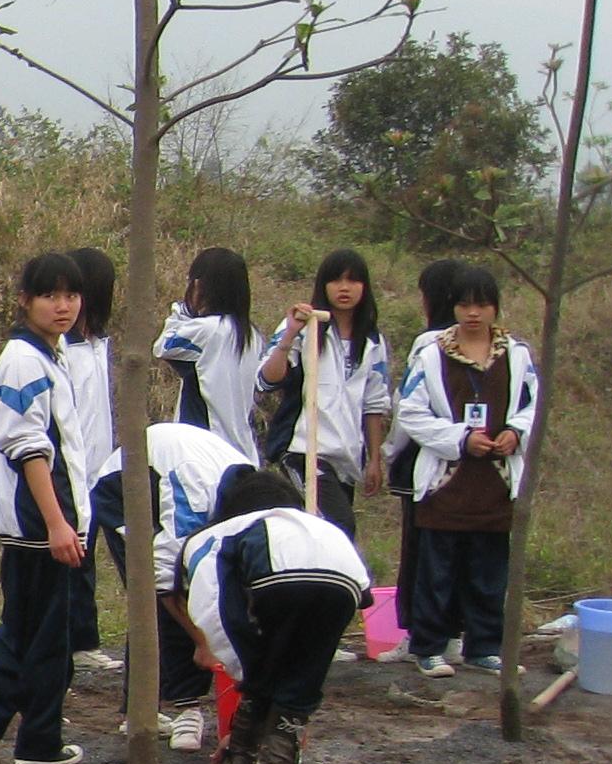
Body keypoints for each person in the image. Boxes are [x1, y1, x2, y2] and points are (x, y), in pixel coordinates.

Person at [0, 252, 91, 764]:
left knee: (35, 634)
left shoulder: (51, 355)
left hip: (49, 522)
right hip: (37, 525)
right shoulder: (22, 360)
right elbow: (27, 446)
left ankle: (1, 734)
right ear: (24, 300)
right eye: (50, 296)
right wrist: (57, 522)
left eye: (71, 296)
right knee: (34, 637)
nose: (63, 306)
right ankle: (23, 739)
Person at [174, 466, 372, 764]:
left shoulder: (220, 532)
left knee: (262, 675)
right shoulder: (316, 524)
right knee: (300, 684)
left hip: (279, 577)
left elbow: (214, 604)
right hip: (343, 582)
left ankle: (239, 762)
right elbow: (363, 595)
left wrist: (242, 672)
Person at [394, 264, 540, 679]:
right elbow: (411, 411)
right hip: (446, 481)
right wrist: (459, 439)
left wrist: (515, 432)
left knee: (489, 570)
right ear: (453, 307)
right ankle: (428, 646)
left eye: (482, 304)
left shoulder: (517, 355)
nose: (473, 313)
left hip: (495, 479)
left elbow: (533, 405)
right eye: (465, 304)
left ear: (495, 308)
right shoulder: (431, 354)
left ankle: (484, 646)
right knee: (436, 570)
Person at [116, 419, 266, 751]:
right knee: (161, 597)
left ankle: (151, 705)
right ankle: (181, 705)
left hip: (171, 475)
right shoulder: (195, 491)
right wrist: (202, 642)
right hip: (125, 484)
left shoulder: (252, 488)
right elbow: (163, 577)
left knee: (206, 589)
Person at [256, 248, 394, 537]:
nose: (344, 288)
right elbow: (267, 380)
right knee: (337, 528)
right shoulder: (306, 327)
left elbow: (373, 403)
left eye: (353, 281)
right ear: (323, 285)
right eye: (336, 281)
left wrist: (374, 459)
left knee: (321, 536)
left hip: (344, 457)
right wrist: (290, 334)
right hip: (302, 450)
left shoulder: (372, 341)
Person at [380, 256, 473, 664]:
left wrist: (388, 453)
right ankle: (454, 632)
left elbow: (406, 409)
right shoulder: (484, 345)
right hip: (471, 459)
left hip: (426, 460)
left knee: (421, 550)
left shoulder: (429, 343)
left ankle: (419, 634)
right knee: (460, 550)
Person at [63, 246, 123, 671]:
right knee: (75, 558)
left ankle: (82, 638)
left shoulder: (99, 344)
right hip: (72, 467)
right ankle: (78, 641)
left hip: (103, 465)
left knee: (91, 554)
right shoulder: (61, 350)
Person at [155, 245, 266, 459]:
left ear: (199, 285)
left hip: (203, 448)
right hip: (240, 449)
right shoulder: (251, 334)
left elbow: (163, 346)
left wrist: (184, 310)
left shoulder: (208, 329)